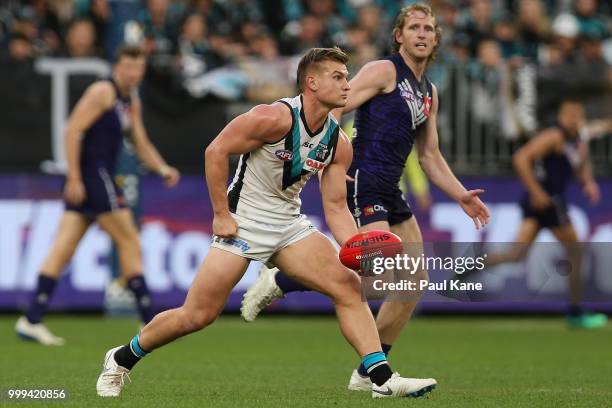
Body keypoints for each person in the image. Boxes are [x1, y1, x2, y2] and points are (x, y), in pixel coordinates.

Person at [96, 47, 437, 399]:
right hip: (243, 222)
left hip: (289, 224)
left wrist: (358, 246)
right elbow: (215, 152)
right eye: (338, 77)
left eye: (347, 77)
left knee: (348, 285)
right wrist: (220, 215)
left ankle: (380, 379)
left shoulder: (338, 142)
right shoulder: (273, 117)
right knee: (197, 315)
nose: (347, 84)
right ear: (312, 82)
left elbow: (335, 207)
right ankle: (121, 357)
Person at [240, 3, 490, 392]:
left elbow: (429, 155)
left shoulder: (429, 92)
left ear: (437, 38)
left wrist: (461, 195)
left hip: (390, 189)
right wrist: (322, 153)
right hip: (362, 180)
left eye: (430, 28)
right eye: (415, 27)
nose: (423, 34)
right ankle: (284, 279)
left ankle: (368, 372)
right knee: (379, 275)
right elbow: (333, 105)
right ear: (399, 35)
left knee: (413, 282)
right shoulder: (384, 71)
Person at [15, 45, 181, 345]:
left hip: (94, 178)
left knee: (63, 248)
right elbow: (72, 131)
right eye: (129, 68)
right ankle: (149, 321)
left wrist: (161, 167)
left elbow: (140, 140)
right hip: (93, 176)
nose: (133, 74)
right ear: (117, 67)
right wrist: (75, 177)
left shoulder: (131, 99)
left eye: (138, 69)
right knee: (128, 238)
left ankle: (32, 319)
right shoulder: (103, 91)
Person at [456, 100, 607, 329]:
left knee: (516, 254)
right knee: (576, 252)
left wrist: (588, 183)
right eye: (569, 114)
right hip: (545, 202)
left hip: (550, 203)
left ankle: (470, 268)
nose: (573, 119)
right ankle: (575, 312)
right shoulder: (553, 137)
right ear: (561, 116)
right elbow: (521, 158)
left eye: (577, 115)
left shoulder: (577, 141)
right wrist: (536, 191)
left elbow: (581, 163)